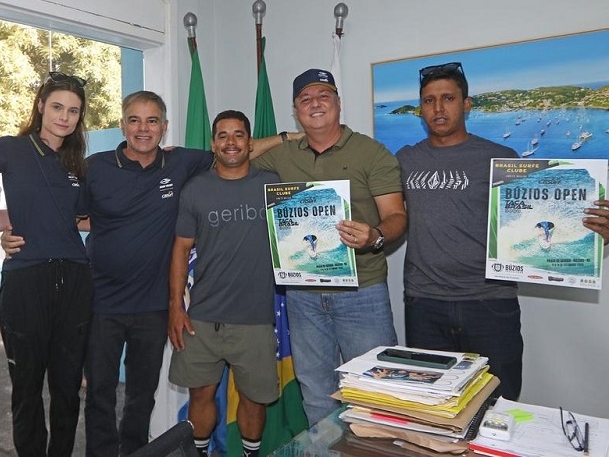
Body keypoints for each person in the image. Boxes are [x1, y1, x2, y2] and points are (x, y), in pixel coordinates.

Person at [1, 91, 291, 455]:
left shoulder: (181, 163)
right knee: (100, 395)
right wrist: (13, 231)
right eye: (135, 120)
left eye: (152, 121)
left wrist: (289, 137)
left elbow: (235, 150)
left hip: (153, 307)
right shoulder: (95, 167)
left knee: (141, 397)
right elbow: (63, 213)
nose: (143, 128)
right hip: (99, 303)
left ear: (164, 127)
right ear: (123, 124)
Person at [253, 68, 407, 426]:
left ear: (338, 103)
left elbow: (397, 216)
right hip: (303, 294)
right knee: (316, 392)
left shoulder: (371, 152)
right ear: (295, 110)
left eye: (323, 96)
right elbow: (233, 152)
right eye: (305, 99)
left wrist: (374, 236)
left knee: (375, 392)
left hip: (362, 293)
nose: (315, 104)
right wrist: (288, 136)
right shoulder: (283, 154)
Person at [396, 61, 523, 400]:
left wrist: (589, 236)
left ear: (466, 104)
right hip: (425, 304)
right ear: (421, 109)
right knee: (432, 406)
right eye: (429, 100)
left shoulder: (500, 158)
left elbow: (532, 222)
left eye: (448, 98)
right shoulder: (405, 160)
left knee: (497, 403)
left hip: (489, 303)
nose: (438, 108)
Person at [0, 71, 94, 456]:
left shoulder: (76, 164)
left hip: (74, 282)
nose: (64, 117)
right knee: (27, 390)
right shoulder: (9, 149)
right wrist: (3, 226)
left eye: (73, 111)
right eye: (57, 107)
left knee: (67, 390)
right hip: (26, 281)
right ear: (40, 106)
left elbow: (79, 219)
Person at [168, 110, 280, 457]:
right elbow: (180, 249)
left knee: (253, 399)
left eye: (238, 135)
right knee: (200, 396)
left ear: (250, 142)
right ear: (213, 144)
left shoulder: (272, 185)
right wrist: (175, 306)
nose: (231, 142)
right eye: (222, 135)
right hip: (202, 318)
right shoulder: (195, 189)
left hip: (255, 318)